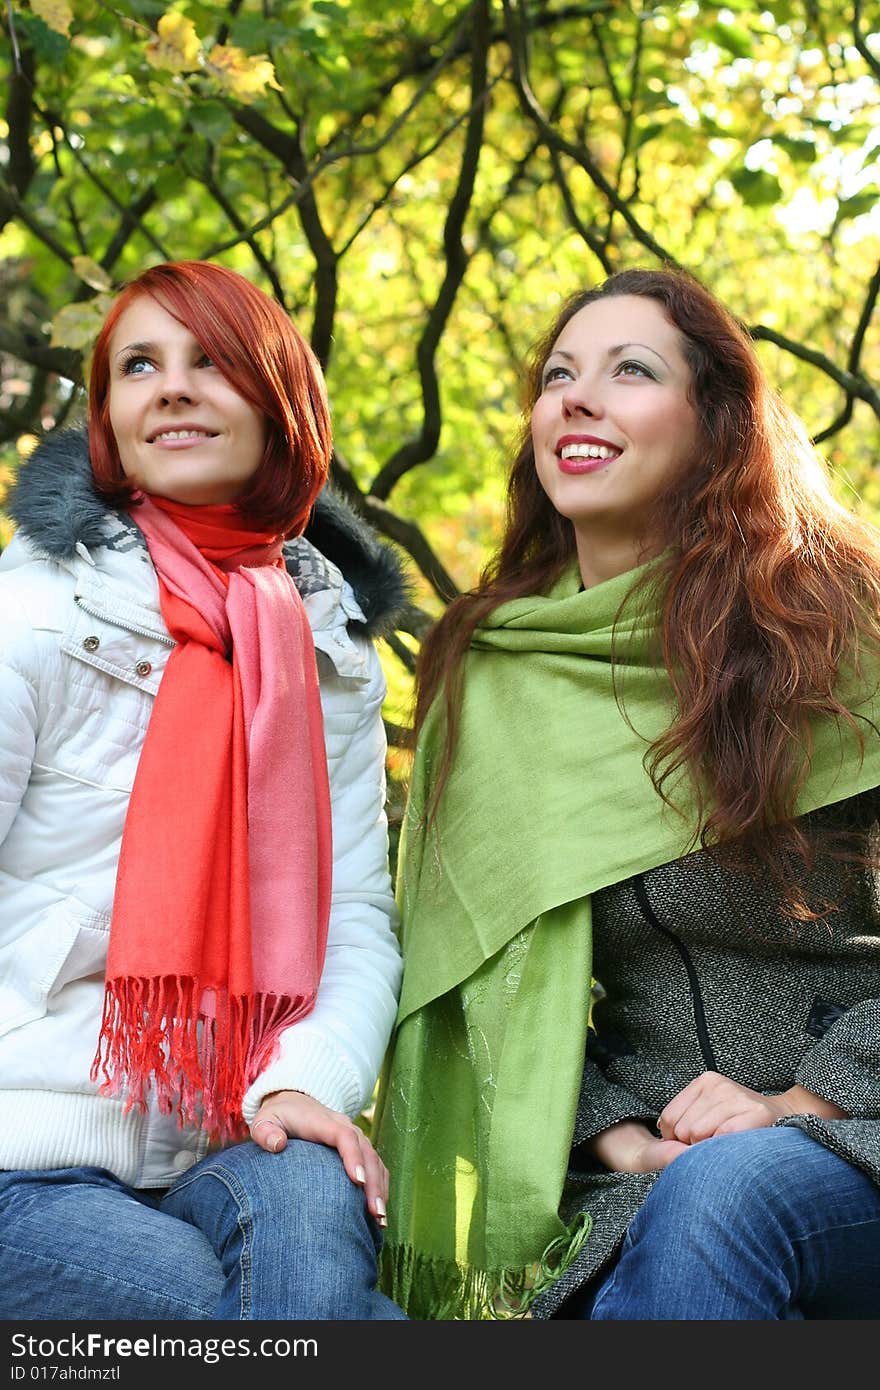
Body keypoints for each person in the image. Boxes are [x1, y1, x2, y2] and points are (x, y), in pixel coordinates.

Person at [372, 265, 880, 1321]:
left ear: (716, 424)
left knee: (725, 1193)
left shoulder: (842, 629)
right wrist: (614, 1133)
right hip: (635, 1167)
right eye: (559, 375)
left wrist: (799, 1100)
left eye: (629, 371)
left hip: (856, 1125)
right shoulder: (494, 670)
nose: (576, 396)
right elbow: (479, 983)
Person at [0, 260, 409, 1320]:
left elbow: (355, 917)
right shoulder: (34, 614)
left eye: (210, 362)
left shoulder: (331, 650)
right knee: (203, 1304)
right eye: (139, 364)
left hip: (238, 1121)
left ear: (282, 410)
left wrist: (304, 1079)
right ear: (109, 418)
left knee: (308, 1229)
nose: (170, 387)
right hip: (22, 1144)